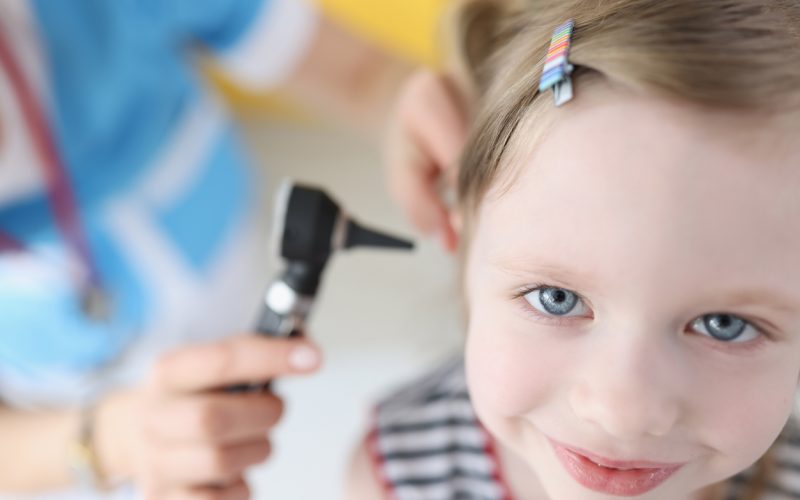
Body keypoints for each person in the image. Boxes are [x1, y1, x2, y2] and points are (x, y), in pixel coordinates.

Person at [0, 0, 466, 498]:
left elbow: (365, 76)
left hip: (232, 273)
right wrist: (111, 440)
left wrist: (422, 119)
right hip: (58, 414)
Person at [348, 0, 800, 498]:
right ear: (463, 235)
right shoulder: (400, 475)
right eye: (555, 298)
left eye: (725, 325)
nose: (622, 411)